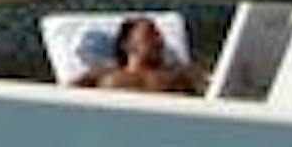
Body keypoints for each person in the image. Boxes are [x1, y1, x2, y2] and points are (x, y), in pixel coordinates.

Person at [70, 16, 204, 95]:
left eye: (159, 35)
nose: (159, 41)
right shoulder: (103, 74)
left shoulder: (177, 74)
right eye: (150, 34)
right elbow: (65, 95)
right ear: (126, 44)